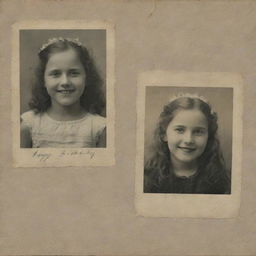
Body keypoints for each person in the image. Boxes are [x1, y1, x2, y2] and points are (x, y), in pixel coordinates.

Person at [20, 37, 106, 148]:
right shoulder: (29, 125)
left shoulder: (99, 128)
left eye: (73, 73)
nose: (65, 82)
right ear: (43, 80)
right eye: (55, 74)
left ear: (87, 77)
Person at [144, 94, 231, 194]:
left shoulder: (222, 182)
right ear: (164, 134)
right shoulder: (146, 180)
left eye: (198, 131)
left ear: (208, 137)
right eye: (180, 130)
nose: (188, 140)